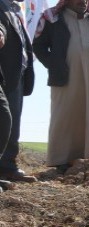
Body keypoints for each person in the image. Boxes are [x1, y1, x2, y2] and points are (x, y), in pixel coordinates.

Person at [32, 0, 89, 173]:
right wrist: (53, 65)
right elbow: (38, 46)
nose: (83, 2)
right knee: (65, 114)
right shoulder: (52, 18)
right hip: (64, 75)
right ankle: (61, 159)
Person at [0, 0, 36, 183]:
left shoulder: (15, 10)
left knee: (12, 122)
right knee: (4, 119)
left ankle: (7, 167)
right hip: (5, 74)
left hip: (18, 75)